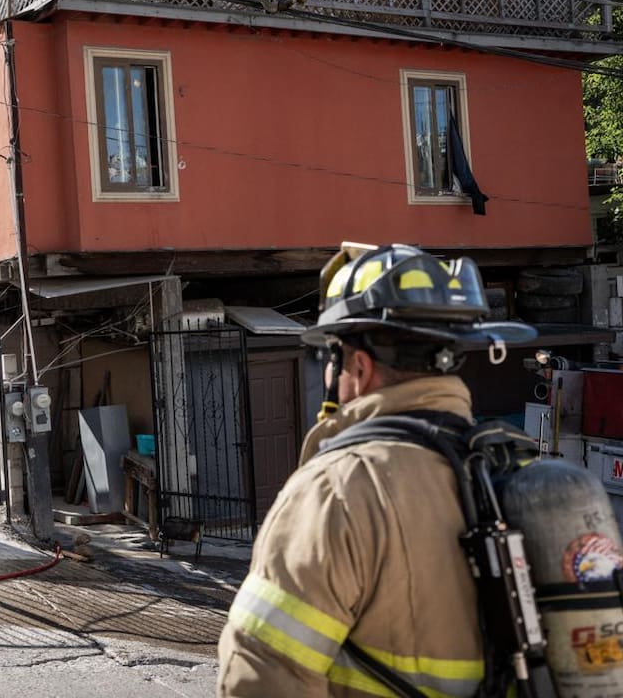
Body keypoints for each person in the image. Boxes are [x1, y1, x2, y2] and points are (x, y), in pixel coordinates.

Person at [217, 243, 535, 697]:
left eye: (334, 359)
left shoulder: (339, 487)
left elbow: (260, 675)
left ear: (359, 367)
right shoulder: (516, 468)